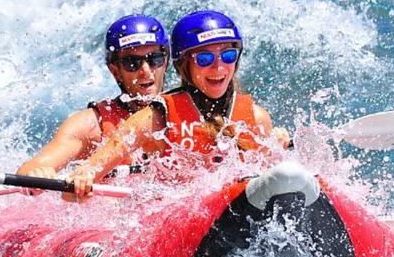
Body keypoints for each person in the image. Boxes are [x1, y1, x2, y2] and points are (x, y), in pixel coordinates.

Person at [64, 10, 291, 198]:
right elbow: (85, 175)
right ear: (184, 65)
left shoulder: (257, 117)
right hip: (182, 229)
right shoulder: (154, 118)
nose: (219, 67)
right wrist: (82, 179)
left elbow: (268, 180)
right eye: (204, 59)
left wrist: (276, 151)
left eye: (228, 55)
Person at [16, 14, 170, 180]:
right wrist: (38, 173)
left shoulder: (186, 112)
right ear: (115, 71)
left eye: (155, 59)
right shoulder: (92, 126)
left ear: (166, 61)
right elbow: (31, 169)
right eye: (132, 63)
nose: (146, 70)